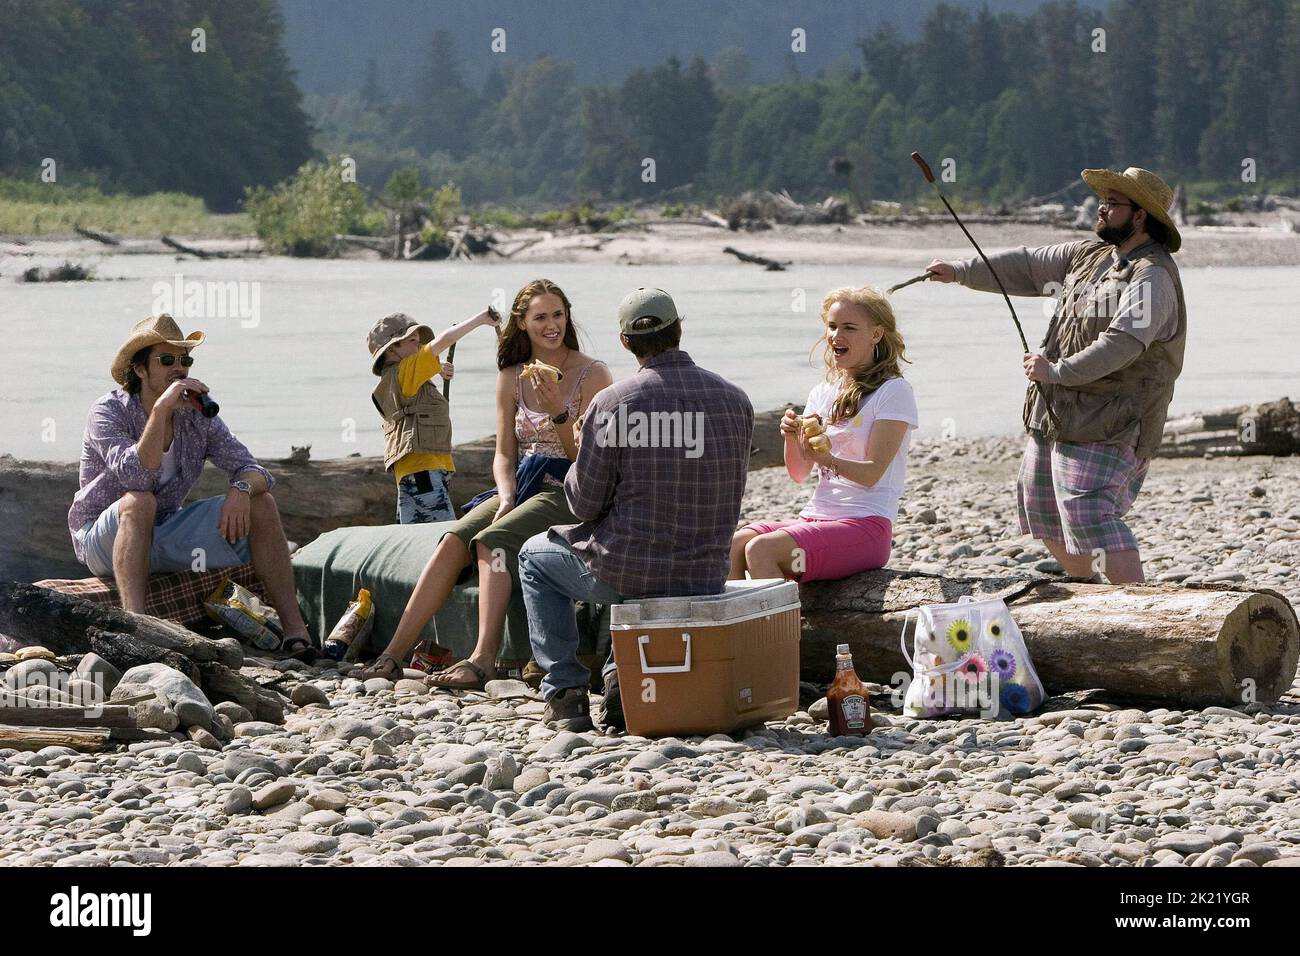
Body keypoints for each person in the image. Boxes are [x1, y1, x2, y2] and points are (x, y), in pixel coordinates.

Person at [925, 166, 1186, 584]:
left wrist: (1057, 371)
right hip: (1058, 413)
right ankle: (1094, 596)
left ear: (1140, 216)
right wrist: (960, 271)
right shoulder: (1090, 255)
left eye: (1113, 203)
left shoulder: (1152, 276)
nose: (1101, 209)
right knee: (1042, 510)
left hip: (1114, 421)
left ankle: (1137, 608)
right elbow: (1027, 266)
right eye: (1104, 201)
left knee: (1090, 513)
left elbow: (1123, 343)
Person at [355, 279, 613, 687]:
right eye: (540, 317)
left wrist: (559, 413)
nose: (552, 325)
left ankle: (482, 659)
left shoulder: (593, 373)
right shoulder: (512, 375)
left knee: (493, 540)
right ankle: (392, 653)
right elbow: (505, 452)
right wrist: (506, 494)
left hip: (571, 485)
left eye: (558, 315)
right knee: (454, 539)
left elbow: (594, 460)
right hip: (524, 480)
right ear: (523, 324)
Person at [519, 288, 754, 731]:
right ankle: (620, 681)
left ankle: (566, 693)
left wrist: (574, 445)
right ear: (680, 330)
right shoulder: (736, 400)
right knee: (618, 541)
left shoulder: (613, 404)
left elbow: (583, 502)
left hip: (633, 573)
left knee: (536, 556)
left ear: (626, 343)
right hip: (704, 573)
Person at [68, 314, 312, 652]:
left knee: (262, 503)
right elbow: (136, 476)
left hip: (162, 529)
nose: (179, 368)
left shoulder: (197, 414)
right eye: (166, 360)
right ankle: (137, 628)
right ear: (140, 370)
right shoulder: (107, 411)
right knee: (140, 500)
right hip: (103, 539)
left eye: (185, 360)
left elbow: (253, 469)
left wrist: (240, 490)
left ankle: (296, 632)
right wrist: (162, 410)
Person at [731, 287, 917, 582]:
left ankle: (783, 629)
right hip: (816, 517)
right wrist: (792, 439)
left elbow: (872, 474)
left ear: (876, 334)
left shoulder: (894, 391)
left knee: (762, 550)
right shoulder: (822, 392)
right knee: (736, 544)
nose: (835, 336)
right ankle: (745, 628)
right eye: (832, 326)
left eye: (849, 328)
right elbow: (799, 473)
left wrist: (827, 459)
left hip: (866, 526)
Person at [367, 308, 499, 524]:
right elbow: (445, 339)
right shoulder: (404, 372)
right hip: (423, 470)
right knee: (437, 533)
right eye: (411, 341)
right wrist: (481, 319)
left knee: (417, 534)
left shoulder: (400, 376)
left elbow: (423, 365)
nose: (418, 346)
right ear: (391, 350)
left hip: (421, 469)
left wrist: (436, 368)